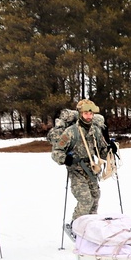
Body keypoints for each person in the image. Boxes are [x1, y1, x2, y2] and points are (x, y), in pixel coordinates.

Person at [51, 99, 116, 239]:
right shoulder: (70, 132)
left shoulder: (95, 130)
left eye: (90, 113)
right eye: (86, 113)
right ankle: (74, 226)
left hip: (91, 169)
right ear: (80, 113)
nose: (88, 116)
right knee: (86, 200)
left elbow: (102, 150)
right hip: (76, 170)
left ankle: (90, 228)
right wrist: (65, 159)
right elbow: (56, 152)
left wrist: (111, 149)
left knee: (95, 198)